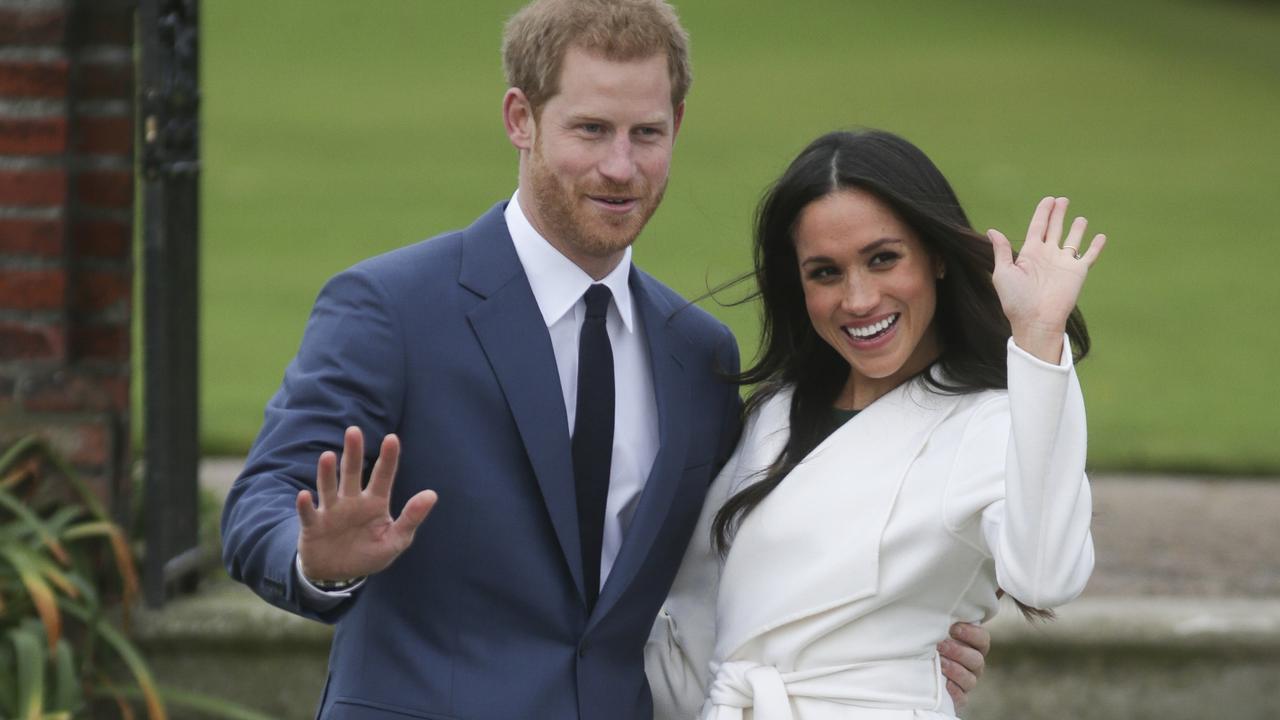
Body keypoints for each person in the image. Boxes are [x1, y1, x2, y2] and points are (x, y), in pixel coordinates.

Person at [220, 2, 988, 718]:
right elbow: (260, 504)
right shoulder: (391, 307)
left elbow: (738, 559)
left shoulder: (698, 353)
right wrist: (321, 563)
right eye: (590, 130)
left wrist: (893, 636)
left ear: (677, 125)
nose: (621, 168)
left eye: (646, 134)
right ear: (521, 118)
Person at [646, 129, 1103, 719]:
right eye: (825, 272)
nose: (859, 299)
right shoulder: (773, 412)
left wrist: (1038, 339)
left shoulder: (990, 421)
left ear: (935, 255)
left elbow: (1047, 576)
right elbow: (704, 614)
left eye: (883, 259)